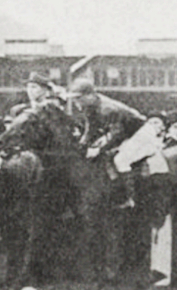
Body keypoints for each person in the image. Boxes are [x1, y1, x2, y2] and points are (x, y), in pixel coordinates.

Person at [65, 78, 163, 209]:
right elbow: (91, 128)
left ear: (90, 95)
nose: (76, 102)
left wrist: (98, 150)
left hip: (141, 133)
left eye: (79, 98)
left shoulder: (107, 109)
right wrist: (82, 144)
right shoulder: (89, 107)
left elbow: (117, 135)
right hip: (128, 133)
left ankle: (130, 198)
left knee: (120, 160)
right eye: (74, 99)